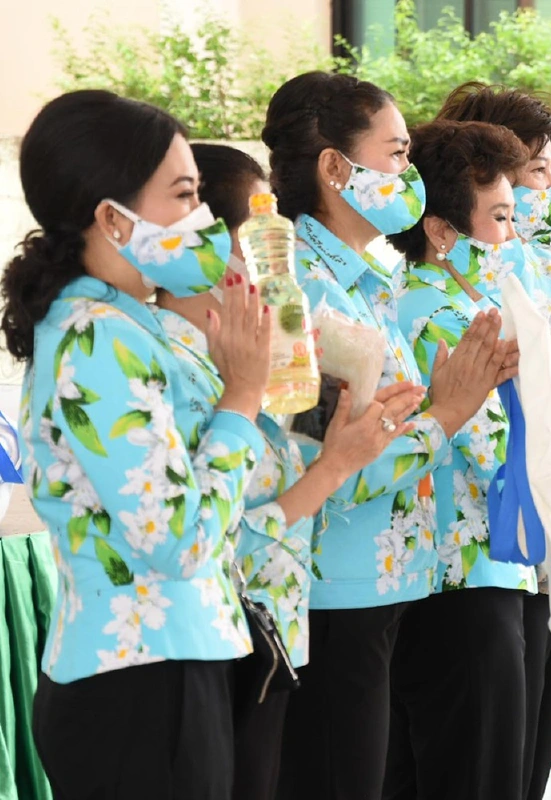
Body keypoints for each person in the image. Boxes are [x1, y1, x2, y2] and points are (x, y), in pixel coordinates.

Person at [1, 90, 268, 799]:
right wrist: (241, 396)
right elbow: (176, 542)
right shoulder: (95, 337)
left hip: (171, 666)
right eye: (182, 196)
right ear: (113, 219)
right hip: (139, 683)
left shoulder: (129, 322)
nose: (202, 221)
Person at [260, 72, 515, 799]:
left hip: (387, 585)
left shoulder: (368, 282)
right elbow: (332, 465)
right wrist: (449, 412)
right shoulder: (299, 288)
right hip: (332, 592)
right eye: (396, 156)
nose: (409, 177)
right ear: (335, 168)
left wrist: (456, 398)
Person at [153, 143, 426, 800]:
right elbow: (219, 535)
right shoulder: (172, 368)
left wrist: (344, 423)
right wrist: (335, 465)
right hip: (220, 648)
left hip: (274, 640)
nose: (279, 266)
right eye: (261, 241)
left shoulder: (240, 362)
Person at [431, 82, 551, 800]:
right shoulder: (468, 278)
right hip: (488, 537)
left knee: (531, 738)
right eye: (537, 170)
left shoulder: (543, 261)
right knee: (487, 751)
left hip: (549, 522)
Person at [384, 119, 536, 800]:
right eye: (499, 216)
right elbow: (488, 442)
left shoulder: (461, 302)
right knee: (474, 771)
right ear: (442, 231)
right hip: (461, 575)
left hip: (461, 570)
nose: (510, 233)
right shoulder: (439, 313)